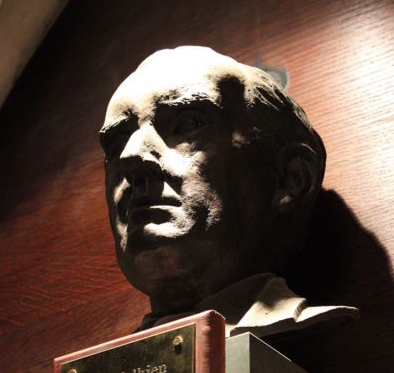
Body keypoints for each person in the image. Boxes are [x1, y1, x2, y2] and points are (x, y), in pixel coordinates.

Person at [100, 46, 357, 337]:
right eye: (115, 144)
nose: (130, 158)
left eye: (188, 124)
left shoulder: (324, 338)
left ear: (289, 179)